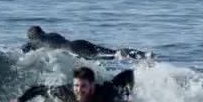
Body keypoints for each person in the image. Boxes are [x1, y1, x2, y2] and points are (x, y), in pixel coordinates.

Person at [5, 67, 134, 102]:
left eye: (83, 86)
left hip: (107, 101)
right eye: (76, 85)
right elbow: (40, 89)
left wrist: (128, 97)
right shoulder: (67, 94)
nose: (79, 90)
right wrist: (20, 100)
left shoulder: (107, 96)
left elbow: (129, 74)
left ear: (92, 86)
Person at [21, 26, 151, 59]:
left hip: (73, 51)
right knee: (115, 53)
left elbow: (24, 50)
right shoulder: (53, 34)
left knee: (110, 58)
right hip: (78, 43)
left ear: (32, 37)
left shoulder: (35, 42)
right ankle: (142, 55)